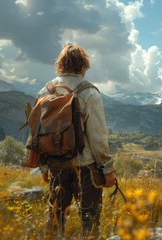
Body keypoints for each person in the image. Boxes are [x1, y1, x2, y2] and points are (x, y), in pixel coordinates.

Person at [37, 44, 116, 238]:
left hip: (56, 163)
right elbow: (98, 137)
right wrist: (107, 169)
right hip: (85, 166)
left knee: (55, 217)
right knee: (89, 218)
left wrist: (43, 166)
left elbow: (37, 132)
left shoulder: (45, 91)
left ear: (60, 64)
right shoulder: (89, 92)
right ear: (84, 65)